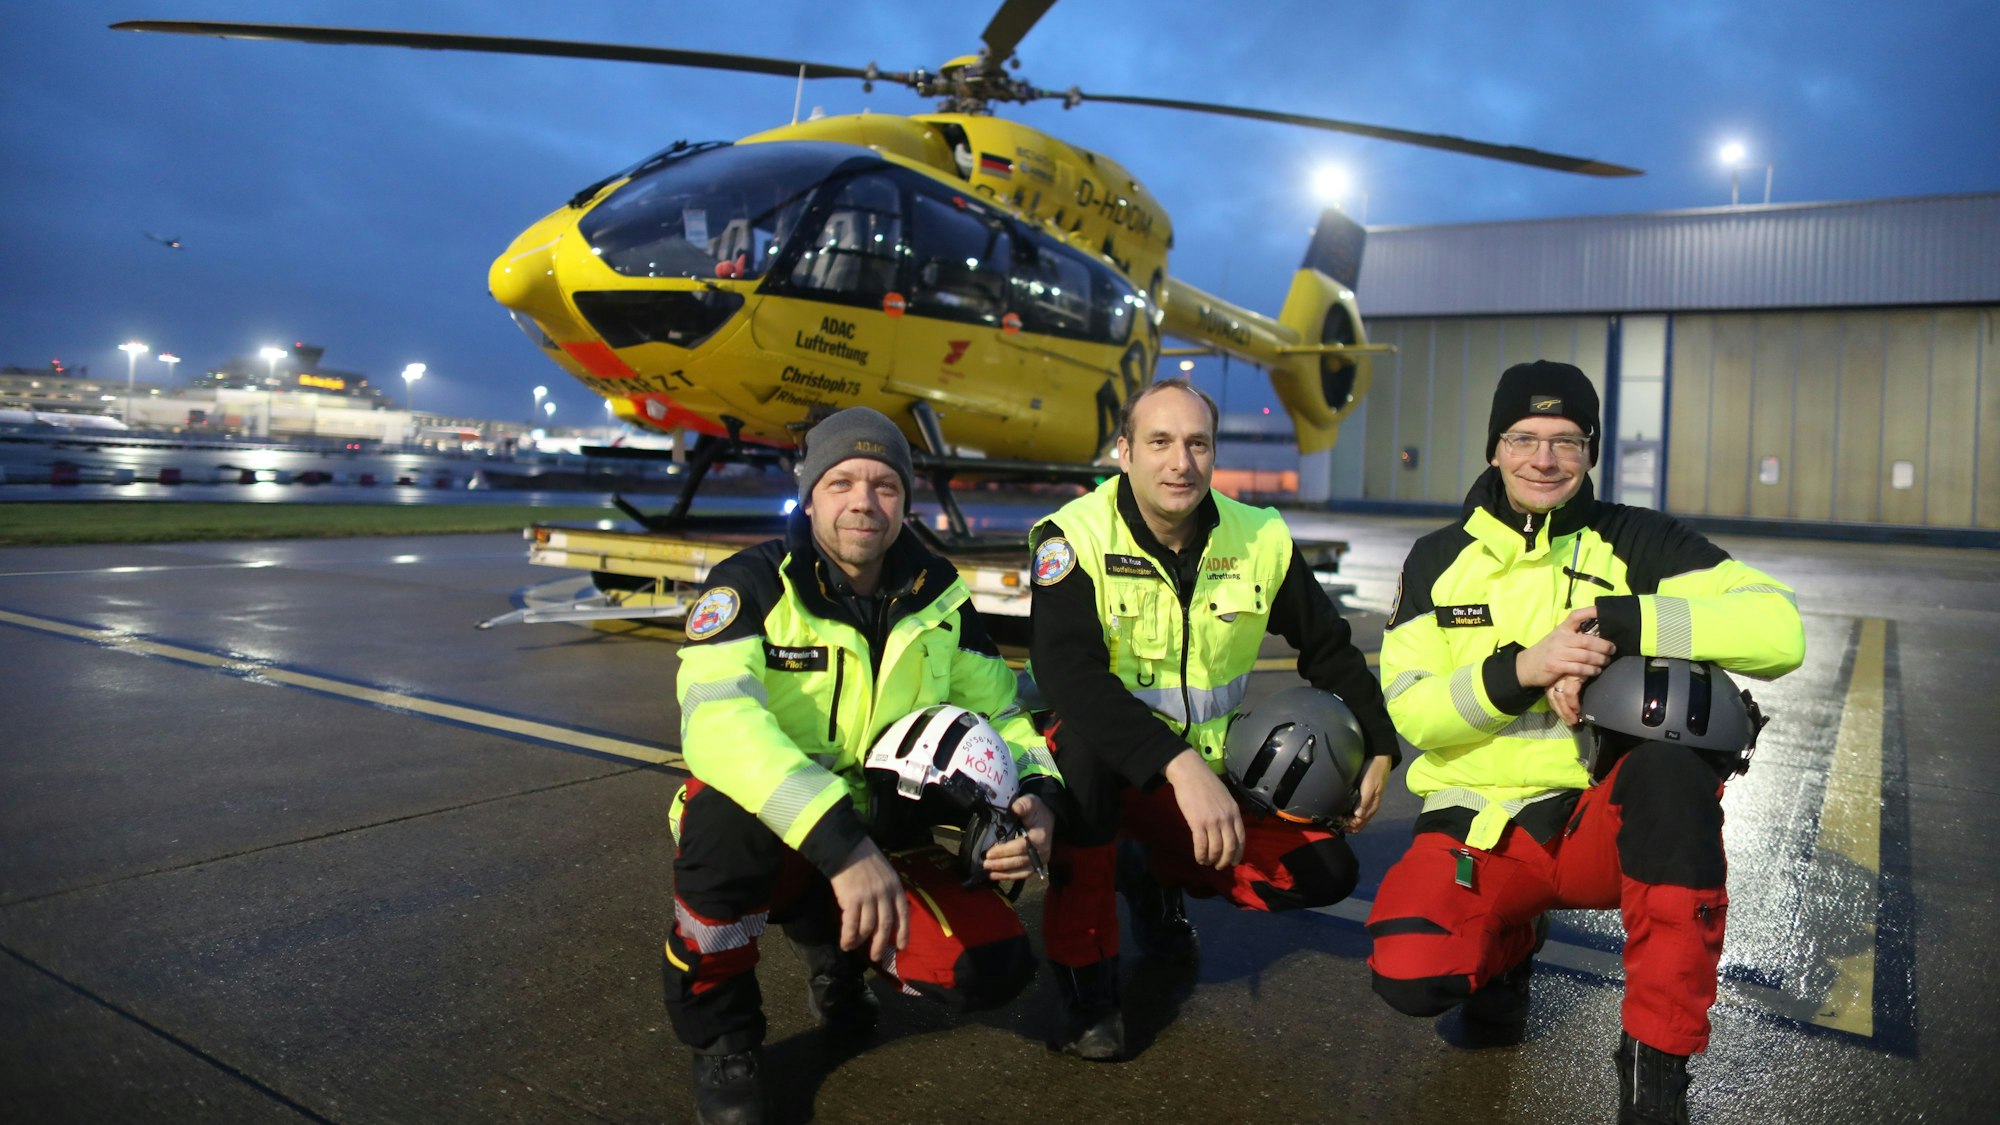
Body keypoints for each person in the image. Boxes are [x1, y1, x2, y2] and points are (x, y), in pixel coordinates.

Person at [1366, 360, 1806, 1123]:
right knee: (1411, 971)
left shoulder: (1640, 541)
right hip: (1481, 823)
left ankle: (1655, 1079)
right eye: (1525, 437)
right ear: (1495, 447)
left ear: (1591, 450)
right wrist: (1524, 669)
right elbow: (1414, 713)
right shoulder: (1436, 559)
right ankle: (1507, 948)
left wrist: (1626, 620)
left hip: (1595, 821)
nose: (1545, 458)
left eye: (1567, 440)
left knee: (1672, 777)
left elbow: (1782, 631)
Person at [665, 406, 1061, 1125]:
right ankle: (724, 1036)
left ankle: (836, 953)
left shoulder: (938, 593)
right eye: (842, 479)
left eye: (883, 484)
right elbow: (717, 722)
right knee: (719, 812)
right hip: (784, 834)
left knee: (993, 967)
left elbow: (1004, 713)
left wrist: (1037, 791)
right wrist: (839, 844)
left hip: (887, 830)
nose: (863, 501)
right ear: (810, 492)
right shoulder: (752, 584)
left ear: (905, 500)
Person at [1028, 377, 1400, 1060]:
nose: (1181, 462)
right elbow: (1069, 677)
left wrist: (1379, 740)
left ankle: (1152, 873)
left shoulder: (1258, 537)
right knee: (1080, 753)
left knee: (1323, 871)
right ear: (1124, 451)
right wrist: (1178, 764)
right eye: (1160, 442)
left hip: (1207, 776)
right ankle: (1089, 990)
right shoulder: (1073, 538)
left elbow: (1327, 645)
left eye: (1197, 443)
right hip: (1108, 769)